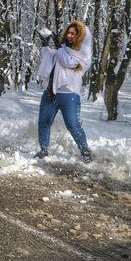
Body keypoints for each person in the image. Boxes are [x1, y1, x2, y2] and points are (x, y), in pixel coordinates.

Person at [35, 20, 93, 163]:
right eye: (68, 32)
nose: (69, 35)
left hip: (69, 93)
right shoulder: (62, 49)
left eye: (73, 33)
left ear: (80, 36)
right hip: (51, 91)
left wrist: (59, 47)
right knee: (44, 121)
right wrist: (44, 44)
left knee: (72, 124)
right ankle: (43, 150)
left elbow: (68, 62)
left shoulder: (81, 54)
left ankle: (85, 150)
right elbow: (49, 57)